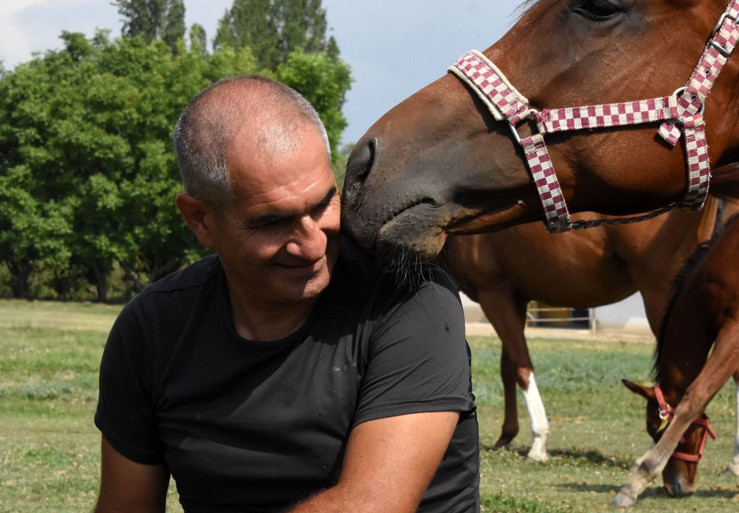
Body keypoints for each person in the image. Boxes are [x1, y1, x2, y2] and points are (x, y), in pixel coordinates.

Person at [93, 75, 479, 512]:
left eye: (322, 204)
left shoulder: (409, 300)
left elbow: (372, 505)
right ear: (199, 219)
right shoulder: (152, 329)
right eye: (272, 222)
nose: (313, 245)